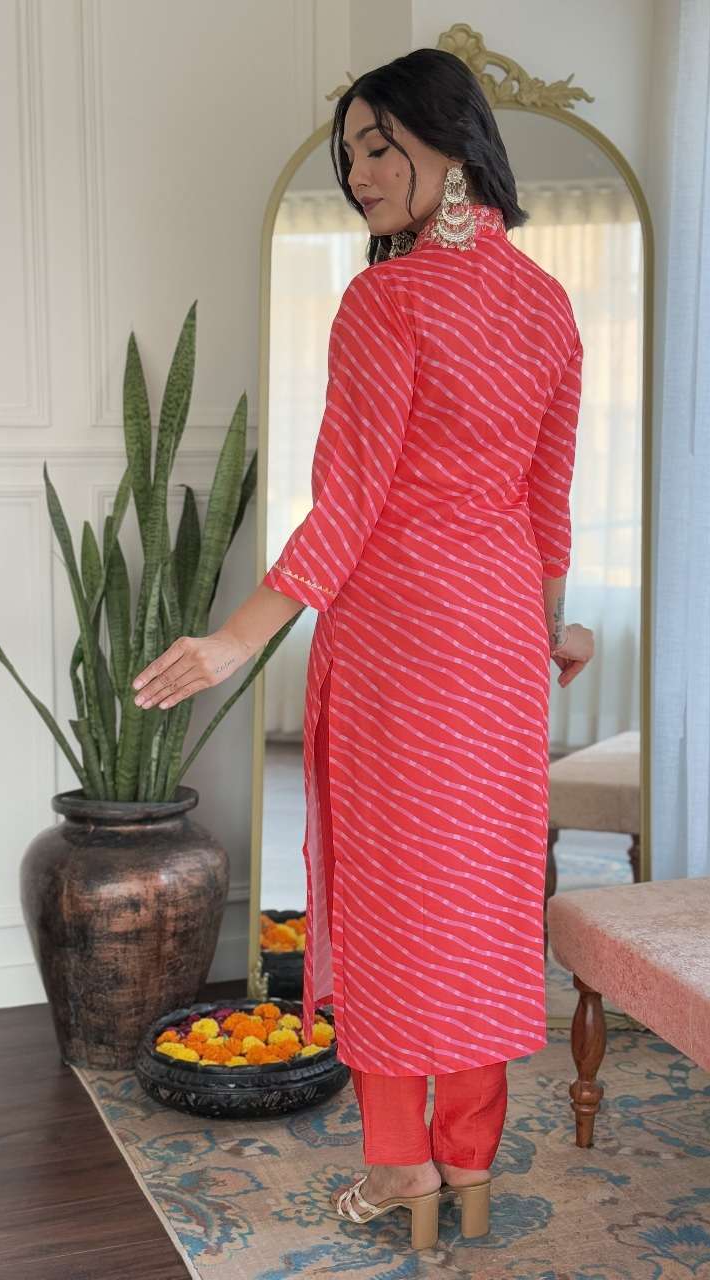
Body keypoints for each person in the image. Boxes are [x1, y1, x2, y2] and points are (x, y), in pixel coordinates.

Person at [130, 47, 594, 1250]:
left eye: (382, 144)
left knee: (395, 905)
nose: (361, 172)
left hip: (401, 637)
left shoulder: (386, 301)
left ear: (454, 141)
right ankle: (470, 1162)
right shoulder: (549, 303)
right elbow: (547, 510)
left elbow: (348, 507)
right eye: (350, 155)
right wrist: (544, 633)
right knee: (481, 904)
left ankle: (402, 1171)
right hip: (497, 643)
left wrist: (234, 638)